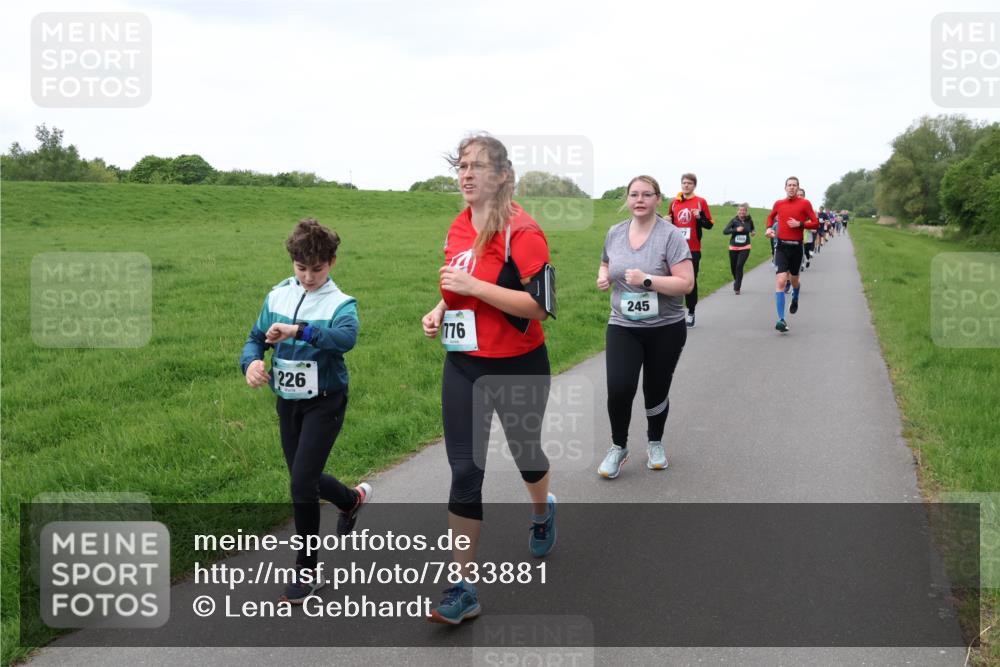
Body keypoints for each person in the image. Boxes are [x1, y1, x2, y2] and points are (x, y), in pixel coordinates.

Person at [421, 133, 557, 624]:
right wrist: (440, 308)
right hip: (464, 364)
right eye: (461, 165)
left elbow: (541, 307)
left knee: (526, 454)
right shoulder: (458, 226)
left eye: (478, 165)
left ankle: (542, 511)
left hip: (518, 363)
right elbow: (460, 286)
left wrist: (472, 286)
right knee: (465, 471)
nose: (466, 174)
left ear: (502, 176)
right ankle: (462, 586)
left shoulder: (524, 232)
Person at [240, 219, 371, 603]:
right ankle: (350, 500)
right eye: (301, 269)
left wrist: (299, 330)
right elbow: (254, 339)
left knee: (300, 484)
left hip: (326, 401)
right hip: (288, 402)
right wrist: (250, 363)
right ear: (292, 263)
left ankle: (307, 570)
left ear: (332, 262)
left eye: (317, 268)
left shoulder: (340, 303)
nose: (309, 277)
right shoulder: (277, 295)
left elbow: (344, 339)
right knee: (305, 477)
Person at [596, 175, 694, 478]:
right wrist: (604, 276)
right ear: (627, 199)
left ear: (657, 199)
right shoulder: (614, 233)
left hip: (665, 327)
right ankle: (618, 447)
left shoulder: (671, 236)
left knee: (655, 389)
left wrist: (648, 280)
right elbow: (605, 262)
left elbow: (686, 284)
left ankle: (655, 442)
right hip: (623, 325)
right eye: (634, 194)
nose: (639, 199)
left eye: (646, 194)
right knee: (620, 387)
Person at [765, 177, 818, 333]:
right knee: (781, 281)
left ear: (798, 188)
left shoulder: (805, 204)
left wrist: (800, 224)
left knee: (794, 280)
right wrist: (769, 228)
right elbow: (770, 217)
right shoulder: (779, 203)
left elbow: (815, 223)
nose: (792, 188)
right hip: (781, 246)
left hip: (796, 248)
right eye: (789, 185)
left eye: (794, 185)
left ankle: (795, 295)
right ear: (785, 187)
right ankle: (781, 319)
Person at [667, 173, 713, 327]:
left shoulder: (700, 202)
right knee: (669, 279)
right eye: (684, 183)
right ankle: (672, 311)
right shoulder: (674, 203)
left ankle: (691, 312)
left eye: (689, 183)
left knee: (690, 282)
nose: (686, 185)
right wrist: (667, 220)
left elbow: (709, 225)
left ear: (694, 185)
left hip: (693, 248)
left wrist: (700, 217)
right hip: (674, 248)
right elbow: (670, 223)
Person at [722, 203, 755, 294]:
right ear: (738, 211)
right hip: (733, 247)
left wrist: (753, 232)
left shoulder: (749, 220)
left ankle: (737, 287)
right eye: (740, 210)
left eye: (744, 210)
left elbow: (752, 229)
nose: (742, 212)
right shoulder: (733, 221)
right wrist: (736, 230)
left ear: (746, 211)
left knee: (739, 266)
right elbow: (725, 231)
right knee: (733, 267)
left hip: (745, 247)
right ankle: (736, 280)